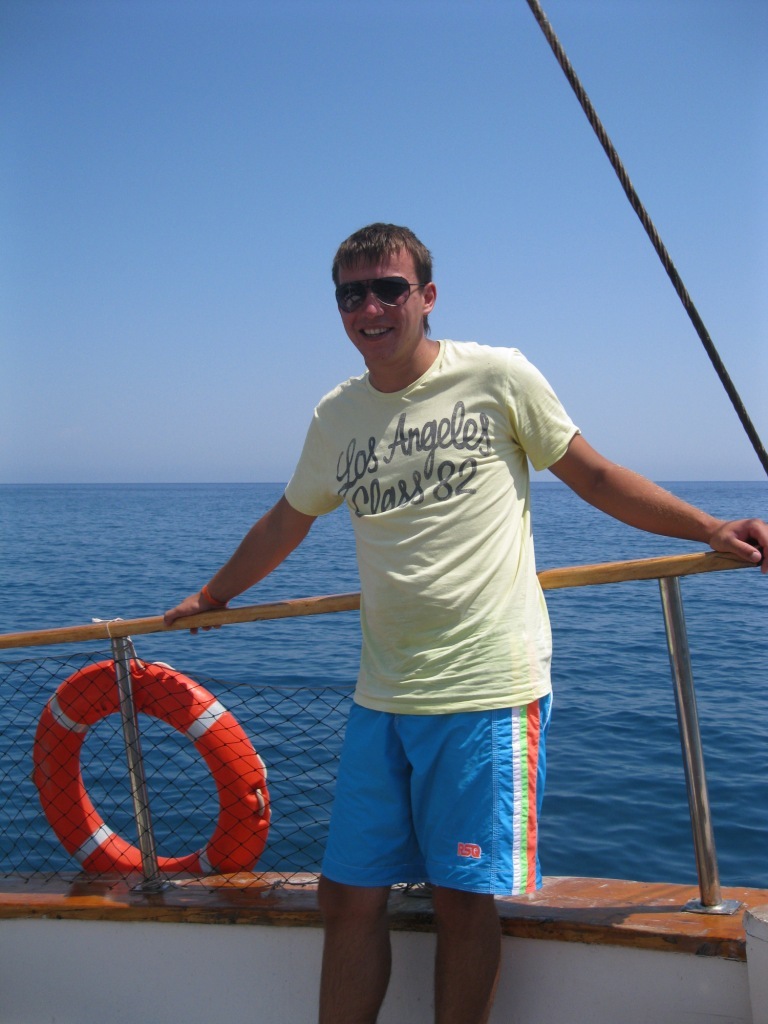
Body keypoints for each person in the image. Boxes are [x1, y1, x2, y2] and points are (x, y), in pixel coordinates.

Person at [164, 223, 767, 1024]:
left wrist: (709, 529)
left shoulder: (496, 375)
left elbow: (593, 475)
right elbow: (288, 520)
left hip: (486, 689)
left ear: (427, 296)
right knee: (347, 896)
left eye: (389, 289)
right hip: (383, 694)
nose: (370, 308)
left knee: (462, 898)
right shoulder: (337, 415)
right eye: (352, 295)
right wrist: (213, 595)